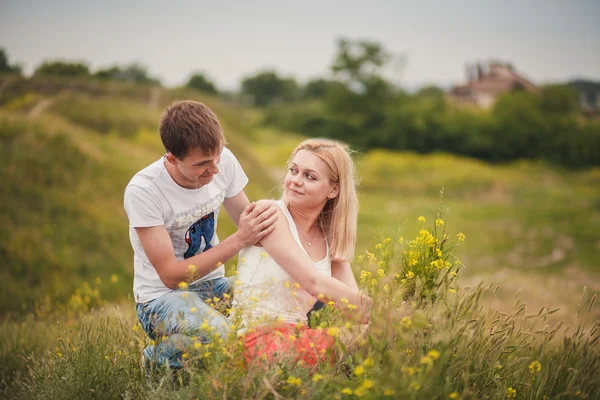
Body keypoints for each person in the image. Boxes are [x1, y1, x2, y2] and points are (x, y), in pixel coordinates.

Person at [124, 100, 277, 370]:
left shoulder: (222, 161)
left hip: (212, 287)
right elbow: (170, 276)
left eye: (217, 157)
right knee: (224, 337)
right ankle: (157, 359)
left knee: (288, 297)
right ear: (172, 158)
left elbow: (251, 221)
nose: (215, 169)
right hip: (160, 299)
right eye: (202, 164)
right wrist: (239, 239)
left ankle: (195, 351)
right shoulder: (144, 191)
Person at [230, 138, 371, 367]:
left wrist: (393, 319)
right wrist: (387, 314)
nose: (295, 181)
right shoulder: (270, 213)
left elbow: (355, 310)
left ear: (334, 189)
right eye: (293, 171)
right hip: (256, 342)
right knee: (377, 334)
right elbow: (314, 282)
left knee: (377, 334)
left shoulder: (329, 238)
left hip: (296, 339)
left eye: (309, 176)